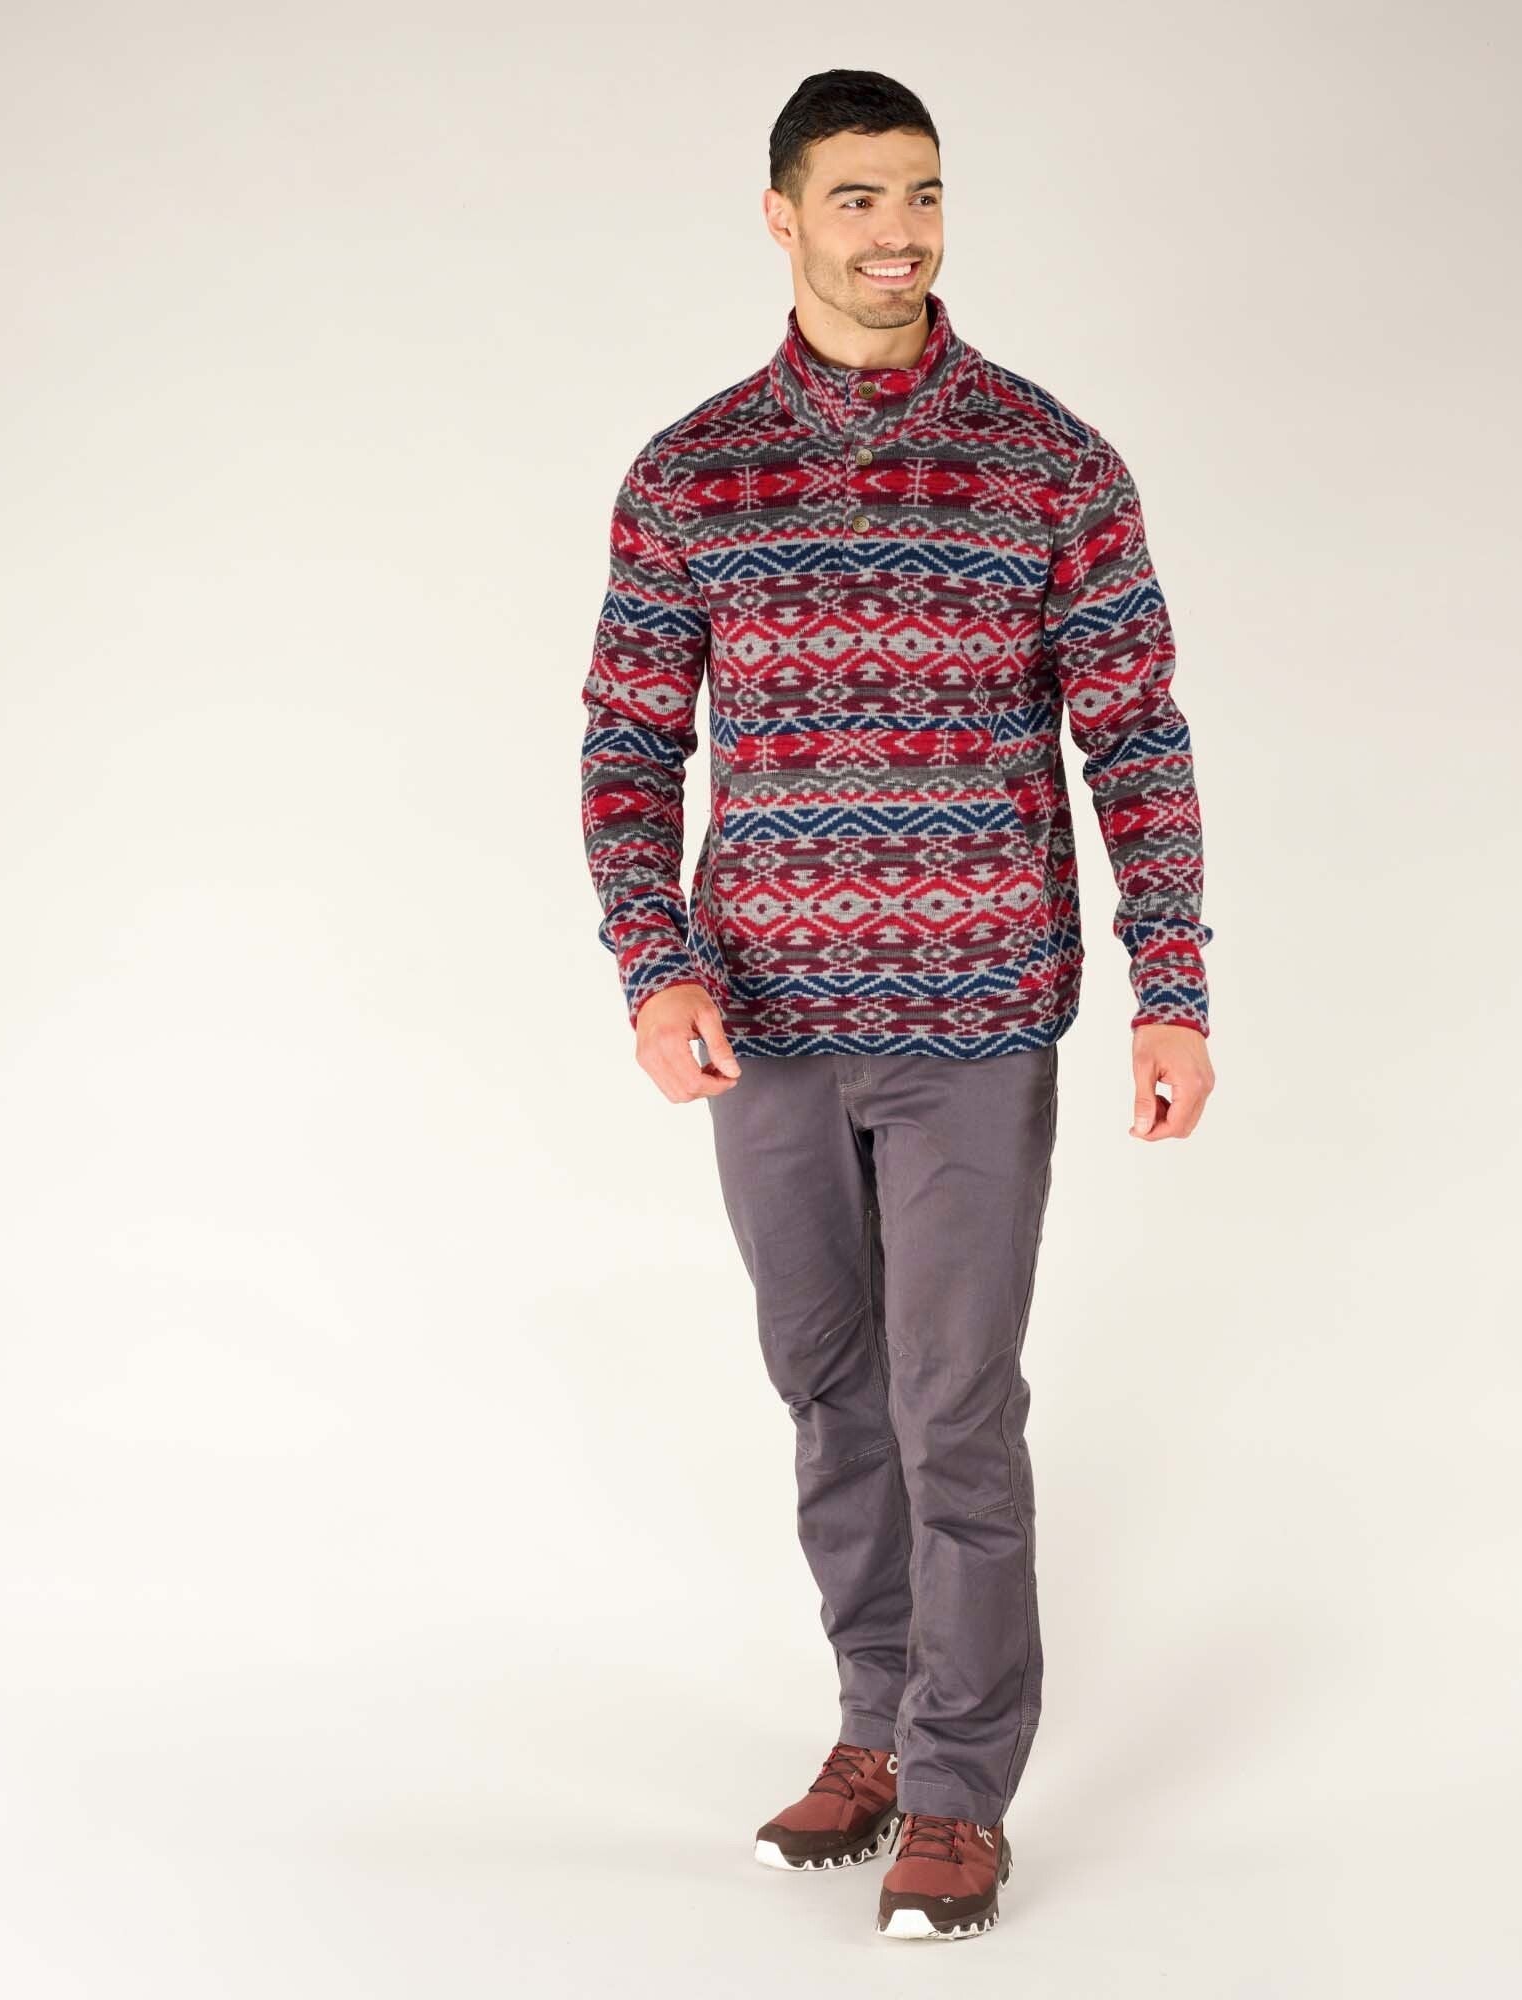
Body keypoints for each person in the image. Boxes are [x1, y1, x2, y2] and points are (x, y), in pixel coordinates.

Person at [578, 67, 1217, 1942]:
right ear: (783, 215)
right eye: (859, 198)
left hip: (979, 1020)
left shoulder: (1050, 463)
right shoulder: (691, 474)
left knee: (954, 1408)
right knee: (828, 1392)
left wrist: (1172, 987)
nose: (899, 233)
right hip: (763, 1025)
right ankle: (875, 1722)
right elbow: (627, 744)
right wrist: (656, 964)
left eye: (923, 194)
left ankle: (956, 1787)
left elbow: (1137, 737)